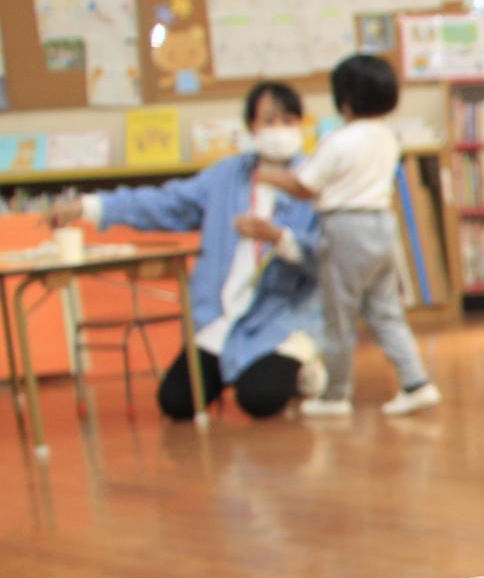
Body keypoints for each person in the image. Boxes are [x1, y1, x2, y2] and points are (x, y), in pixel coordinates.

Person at [52, 81, 327, 421]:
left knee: (259, 397)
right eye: (269, 121)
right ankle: (240, 368)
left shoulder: (314, 179)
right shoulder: (227, 176)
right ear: (251, 126)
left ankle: (303, 371)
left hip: (280, 316)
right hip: (223, 316)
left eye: (288, 120)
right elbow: (165, 203)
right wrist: (90, 207)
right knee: (177, 402)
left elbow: (328, 257)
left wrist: (281, 238)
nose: (279, 131)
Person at [260, 54, 440, 418]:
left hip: (345, 229)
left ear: (343, 98)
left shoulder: (339, 140)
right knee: (385, 311)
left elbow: (304, 186)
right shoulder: (387, 137)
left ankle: (336, 395)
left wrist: (265, 176)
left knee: (338, 315)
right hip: (381, 225)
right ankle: (416, 382)